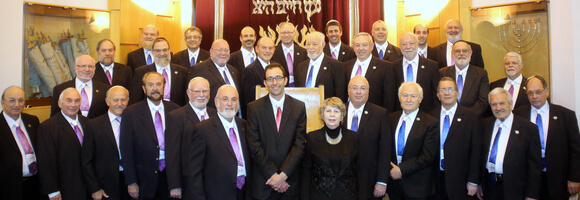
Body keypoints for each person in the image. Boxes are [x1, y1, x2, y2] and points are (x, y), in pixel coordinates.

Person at [246, 63, 307, 200]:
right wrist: (274, 176)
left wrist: (283, 175)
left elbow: (299, 145)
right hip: (264, 181)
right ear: (264, 83)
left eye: (278, 78)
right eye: (270, 79)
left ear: (285, 80)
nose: (274, 82)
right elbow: (254, 146)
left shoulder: (299, 107)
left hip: (290, 182)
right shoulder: (254, 108)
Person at [513, 75, 580, 200]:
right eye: (530, 93)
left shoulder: (566, 115)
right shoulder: (517, 115)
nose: (534, 97)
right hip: (527, 180)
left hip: (557, 180)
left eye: (538, 92)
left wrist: (574, 178)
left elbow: (575, 149)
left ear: (547, 91)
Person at [120, 72, 181, 200]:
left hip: (170, 177)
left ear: (164, 86)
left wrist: (177, 182)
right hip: (144, 179)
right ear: (144, 88)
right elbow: (126, 150)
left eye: (159, 84)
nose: (155, 88)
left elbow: (181, 148)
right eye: (150, 85)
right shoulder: (131, 113)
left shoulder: (176, 110)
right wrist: (131, 182)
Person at [185, 85, 252, 200]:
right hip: (217, 194)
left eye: (233, 99)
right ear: (216, 102)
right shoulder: (202, 130)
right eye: (225, 99)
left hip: (245, 192)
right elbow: (194, 172)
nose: (230, 104)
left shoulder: (245, 126)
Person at [479, 87, 541, 199]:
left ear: (511, 103)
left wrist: (532, 195)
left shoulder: (528, 128)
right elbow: (478, 157)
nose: (498, 108)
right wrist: (478, 183)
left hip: (516, 189)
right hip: (489, 187)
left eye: (502, 103)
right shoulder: (484, 125)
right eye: (494, 104)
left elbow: (534, 166)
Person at [429, 77, 482, 200]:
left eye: (450, 89)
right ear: (438, 95)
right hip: (435, 180)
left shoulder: (471, 117)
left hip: (461, 180)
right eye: (443, 90)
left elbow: (476, 151)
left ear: (457, 93)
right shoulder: (430, 116)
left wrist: (473, 181)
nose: (447, 93)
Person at [342, 76, 391, 199]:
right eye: (355, 88)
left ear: (368, 92)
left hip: (369, 179)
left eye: (363, 88)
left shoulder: (380, 114)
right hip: (341, 179)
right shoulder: (338, 111)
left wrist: (382, 181)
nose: (358, 92)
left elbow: (385, 150)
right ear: (348, 90)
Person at [387, 82, 439, 200]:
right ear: (399, 97)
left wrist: (402, 170)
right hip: (393, 185)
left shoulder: (430, 123)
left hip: (417, 187)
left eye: (413, 96)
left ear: (420, 99)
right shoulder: (390, 119)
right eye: (405, 95)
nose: (408, 99)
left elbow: (427, 156)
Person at [301, 97, 358, 200]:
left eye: (336, 111)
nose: (332, 114)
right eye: (328, 111)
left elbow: (360, 170)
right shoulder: (312, 138)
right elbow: (306, 171)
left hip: (348, 195)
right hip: (319, 195)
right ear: (322, 115)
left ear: (342, 116)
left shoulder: (354, 138)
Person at [38, 88, 89, 200]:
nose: (73, 104)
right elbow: (45, 162)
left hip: (88, 187)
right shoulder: (48, 127)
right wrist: (52, 191)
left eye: (77, 101)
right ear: (59, 103)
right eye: (69, 100)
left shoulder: (87, 122)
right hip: (64, 188)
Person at [81, 86, 131, 200]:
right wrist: (94, 188)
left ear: (128, 100)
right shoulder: (93, 125)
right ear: (107, 101)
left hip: (131, 183)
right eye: (115, 100)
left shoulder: (135, 122)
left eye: (123, 100)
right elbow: (86, 161)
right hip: (105, 186)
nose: (119, 103)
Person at [0, 86, 42, 200]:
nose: (17, 104)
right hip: (8, 188)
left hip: (34, 185)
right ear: (2, 102)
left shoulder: (33, 121)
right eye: (12, 100)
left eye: (21, 100)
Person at [129, 37, 188, 106]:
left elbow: (186, 98)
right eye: (158, 51)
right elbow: (136, 99)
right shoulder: (141, 72)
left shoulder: (182, 72)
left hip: (176, 113)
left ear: (169, 51)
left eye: (164, 50)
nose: (162, 53)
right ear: (152, 52)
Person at [345, 32, 395, 111]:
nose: (361, 48)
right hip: (349, 113)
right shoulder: (346, 66)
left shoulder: (385, 67)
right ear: (353, 47)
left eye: (364, 45)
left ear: (371, 46)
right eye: (357, 45)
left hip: (374, 116)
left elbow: (389, 97)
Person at [51, 55, 111, 119]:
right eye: (83, 66)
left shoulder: (105, 89)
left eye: (90, 66)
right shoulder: (60, 89)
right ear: (75, 68)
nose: (87, 69)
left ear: (94, 69)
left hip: (97, 128)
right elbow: (54, 117)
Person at [439, 40, 490, 116]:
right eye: (457, 51)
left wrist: (467, 116)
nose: (461, 54)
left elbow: (483, 101)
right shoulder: (442, 73)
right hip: (447, 116)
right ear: (452, 54)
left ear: (470, 53)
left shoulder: (481, 74)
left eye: (465, 51)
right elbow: (438, 97)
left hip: (471, 119)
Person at [188, 39, 241, 111]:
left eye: (226, 50)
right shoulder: (199, 69)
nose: (223, 53)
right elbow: (191, 98)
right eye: (219, 50)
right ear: (211, 52)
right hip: (210, 118)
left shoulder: (234, 71)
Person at [393, 32, 440, 112]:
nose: (408, 47)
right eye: (404, 44)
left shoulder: (432, 66)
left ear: (417, 44)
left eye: (411, 43)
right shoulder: (393, 66)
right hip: (400, 113)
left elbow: (436, 94)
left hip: (425, 114)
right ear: (400, 46)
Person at [295, 31, 346, 102]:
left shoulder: (336, 66)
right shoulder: (300, 67)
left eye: (314, 44)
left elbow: (340, 95)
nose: (310, 47)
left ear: (323, 45)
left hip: (326, 110)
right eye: (308, 44)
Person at [270, 22, 308, 87]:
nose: (286, 35)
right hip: (279, 87)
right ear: (279, 34)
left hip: (299, 88)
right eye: (283, 33)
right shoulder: (273, 52)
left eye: (289, 32)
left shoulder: (303, 52)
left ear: (294, 33)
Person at [242, 37, 275, 105]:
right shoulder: (249, 70)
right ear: (256, 49)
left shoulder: (277, 67)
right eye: (264, 48)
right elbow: (248, 100)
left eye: (270, 48)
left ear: (274, 50)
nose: (267, 51)